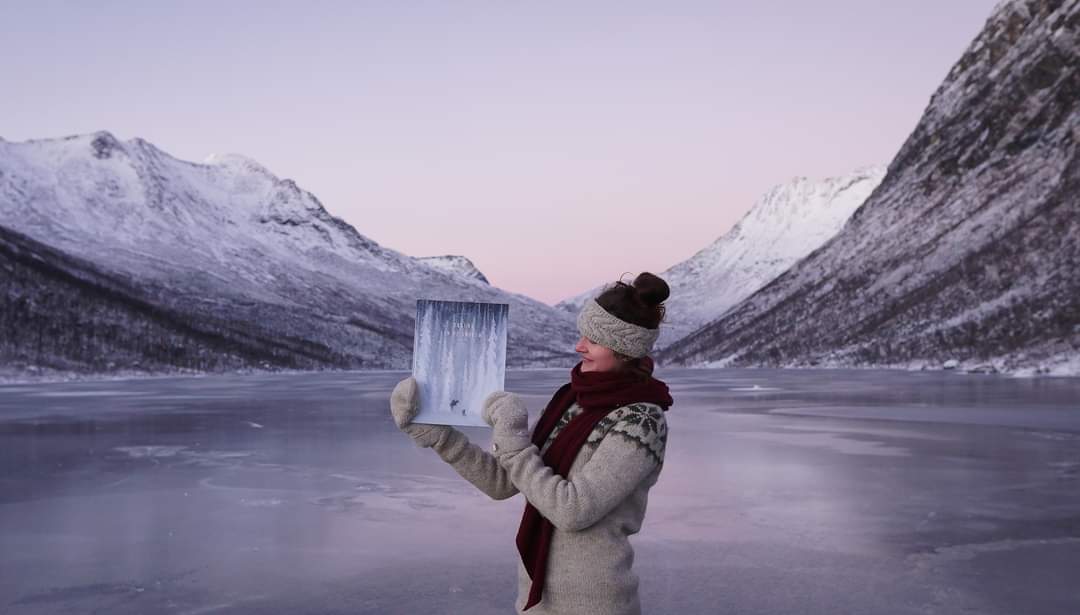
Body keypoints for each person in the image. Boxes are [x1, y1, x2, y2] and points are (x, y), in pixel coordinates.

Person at [389, 272, 674, 614]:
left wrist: (512, 434)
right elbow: (504, 482)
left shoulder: (641, 421)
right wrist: (440, 436)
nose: (579, 346)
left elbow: (573, 510)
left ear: (625, 350)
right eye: (582, 335)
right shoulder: (572, 400)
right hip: (536, 602)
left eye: (594, 340)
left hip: (593, 605)